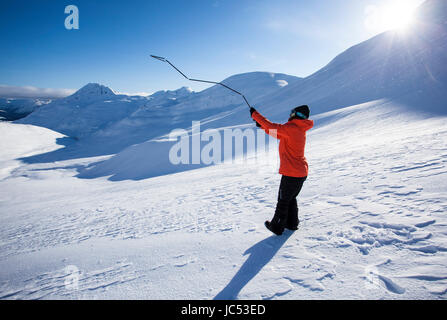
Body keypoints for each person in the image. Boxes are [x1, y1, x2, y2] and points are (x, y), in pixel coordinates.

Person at [250, 105, 314, 235]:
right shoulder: (297, 129)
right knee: (290, 198)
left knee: (283, 200)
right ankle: (292, 223)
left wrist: (255, 114)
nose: (290, 115)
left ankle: (277, 226)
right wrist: (263, 127)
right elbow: (278, 134)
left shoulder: (292, 128)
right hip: (299, 172)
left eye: (292, 113)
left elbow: (273, 126)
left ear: (296, 115)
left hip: (292, 172)